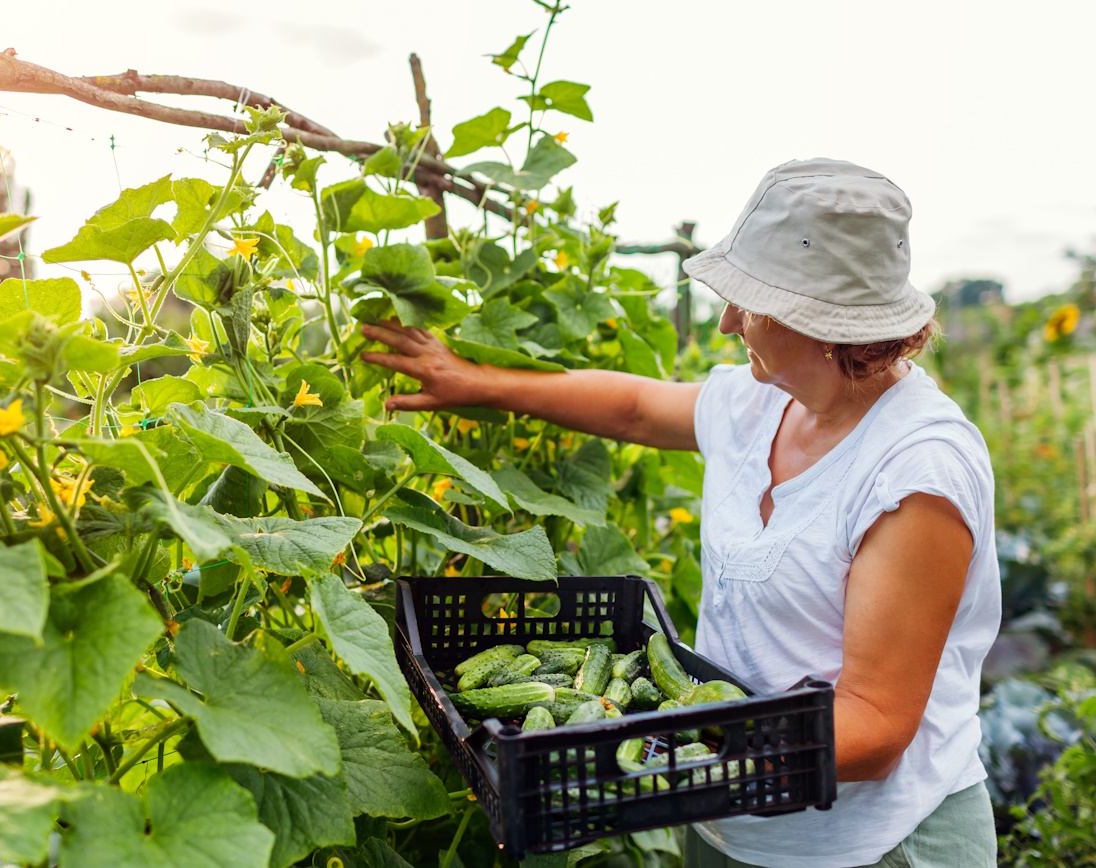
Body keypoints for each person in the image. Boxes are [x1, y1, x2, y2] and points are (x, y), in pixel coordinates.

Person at [360, 159, 1000, 868]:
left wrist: (655, 741)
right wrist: (474, 381)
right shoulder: (764, 401)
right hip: (728, 818)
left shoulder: (916, 471)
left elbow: (876, 729)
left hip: (870, 844)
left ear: (826, 326)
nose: (727, 321)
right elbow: (634, 408)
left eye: (751, 304)